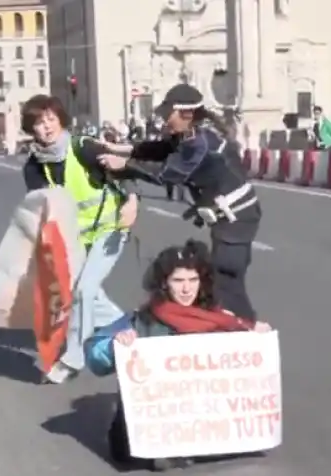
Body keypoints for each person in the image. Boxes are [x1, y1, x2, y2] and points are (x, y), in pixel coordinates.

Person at [84, 239, 272, 471]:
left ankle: (192, 446)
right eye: (178, 281)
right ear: (164, 283)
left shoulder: (219, 317)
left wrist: (254, 334)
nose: (186, 289)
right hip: (146, 431)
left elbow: (241, 350)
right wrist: (115, 344)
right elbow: (95, 358)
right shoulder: (143, 320)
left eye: (193, 280)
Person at [97, 83, 262, 321]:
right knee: (222, 279)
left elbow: (168, 173)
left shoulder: (200, 141)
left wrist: (124, 166)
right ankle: (239, 328)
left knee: (225, 278)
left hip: (236, 217)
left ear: (186, 113)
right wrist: (124, 149)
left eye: (168, 113)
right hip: (229, 217)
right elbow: (161, 149)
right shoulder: (191, 133)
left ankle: (246, 332)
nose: (164, 119)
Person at [20, 94, 141, 384]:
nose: (46, 127)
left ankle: (72, 360)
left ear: (60, 119)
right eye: (39, 123)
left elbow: (122, 168)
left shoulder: (82, 147)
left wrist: (132, 201)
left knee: (86, 291)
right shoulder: (34, 167)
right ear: (31, 129)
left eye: (51, 119)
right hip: (76, 238)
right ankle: (130, 326)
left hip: (110, 228)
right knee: (75, 292)